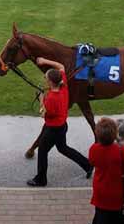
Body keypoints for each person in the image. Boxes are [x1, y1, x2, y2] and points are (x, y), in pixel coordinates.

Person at [27, 58, 92, 186]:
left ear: (51, 82)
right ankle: (88, 165)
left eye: (46, 78)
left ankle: (41, 179)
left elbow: (43, 114)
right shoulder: (63, 87)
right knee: (63, 148)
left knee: (42, 151)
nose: (45, 79)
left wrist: (41, 99)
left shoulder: (50, 98)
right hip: (61, 126)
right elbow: (61, 65)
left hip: (52, 129)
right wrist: (45, 61)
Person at [87, 117, 124, 224]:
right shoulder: (122, 150)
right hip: (120, 196)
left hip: (101, 194)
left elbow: (92, 162)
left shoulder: (93, 149)